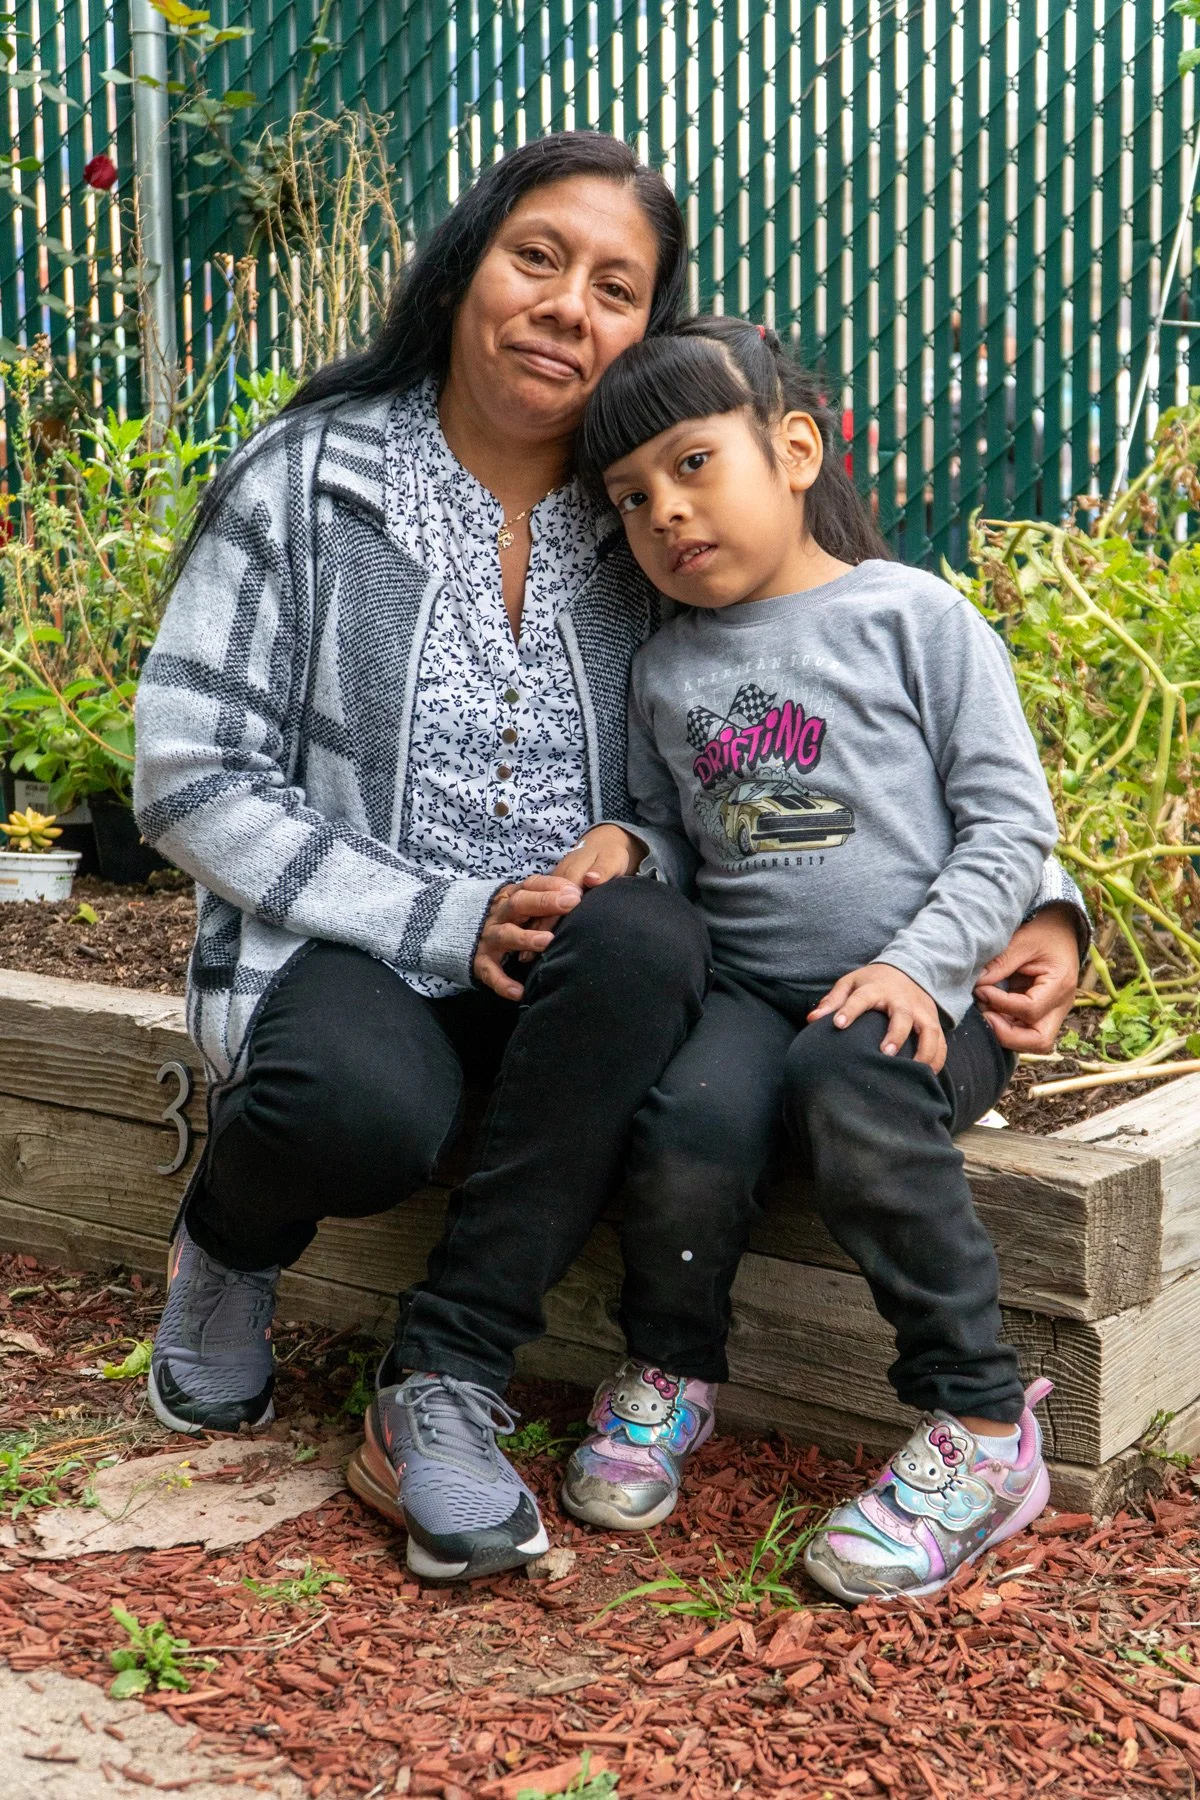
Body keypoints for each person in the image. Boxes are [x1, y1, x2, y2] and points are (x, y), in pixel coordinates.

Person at [133, 132, 1086, 1588]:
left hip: (592, 973)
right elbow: (188, 774)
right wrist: (448, 916)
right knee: (357, 1107)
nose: (571, 305)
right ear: (464, 268)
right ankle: (232, 1249)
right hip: (361, 944)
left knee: (644, 938)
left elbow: (821, 746)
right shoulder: (312, 477)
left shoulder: (643, 521)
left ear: (653, 327)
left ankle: (443, 1378)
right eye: (539, 258)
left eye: (617, 285)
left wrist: (1046, 912)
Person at [555, 316, 1064, 1603]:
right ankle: (671, 1373)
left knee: (851, 1072)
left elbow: (1012, 825)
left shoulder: (916, 618)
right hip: (753, 990)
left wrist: (923, 967)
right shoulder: (666, 668)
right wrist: (626, 846)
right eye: (630, 498)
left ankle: (985, 1429)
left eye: (691, 465)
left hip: (927, 998)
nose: (664, 513)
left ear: (791, 449)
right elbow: (673, 828)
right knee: (689, 1114)